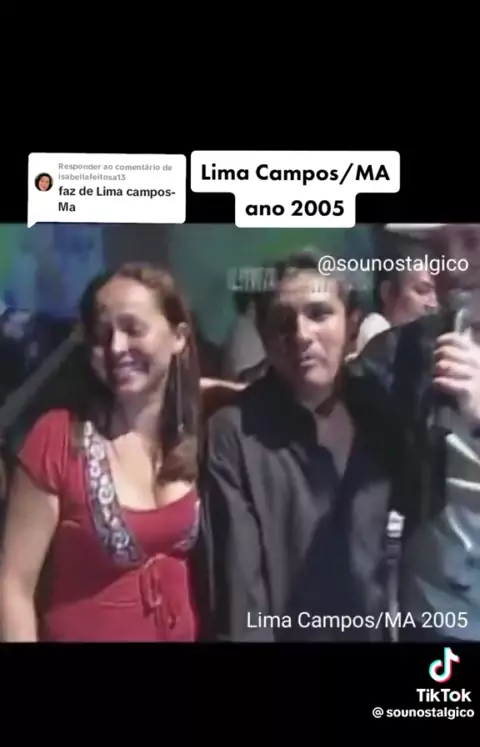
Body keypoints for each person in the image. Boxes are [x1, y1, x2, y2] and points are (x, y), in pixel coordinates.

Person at [194, 249, 394, 642]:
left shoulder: (382, 416)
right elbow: (241, 593)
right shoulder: (234, 434)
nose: (301, 334)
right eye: (283, 322)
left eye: (319, 314)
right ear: (264, 336)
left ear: (352, 325)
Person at [0, 263, 201, 642]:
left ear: (179, 337)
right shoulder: (57, 438)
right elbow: (13, 587)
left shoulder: (190, 429)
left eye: (133, 329)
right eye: (101, 334)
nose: (116, 347)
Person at [345, 223, 480, 642]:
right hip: (434, 616)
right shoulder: (404, 352)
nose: (452, 264)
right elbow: (316, 396)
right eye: (437, 249)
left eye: (473, 242)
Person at [355, 237, 438, 352]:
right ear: (387, 292)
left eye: (438, 294)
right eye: (422, 290)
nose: (433, 304)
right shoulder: (376, 330)